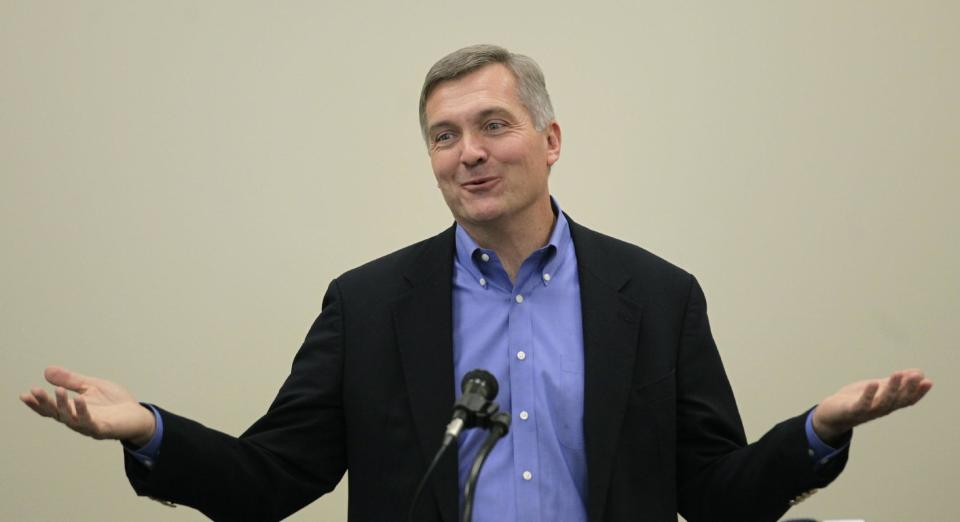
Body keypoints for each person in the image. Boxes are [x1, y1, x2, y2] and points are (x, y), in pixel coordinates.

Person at [20, 45, 932, 522]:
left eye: (492, 124)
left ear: (551, 139)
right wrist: (148, 432)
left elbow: (719, 498)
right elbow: (270, 481)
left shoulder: (655, 296)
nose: (469, 153)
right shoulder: (371, 305)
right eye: (444, 135)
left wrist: (815, 433)